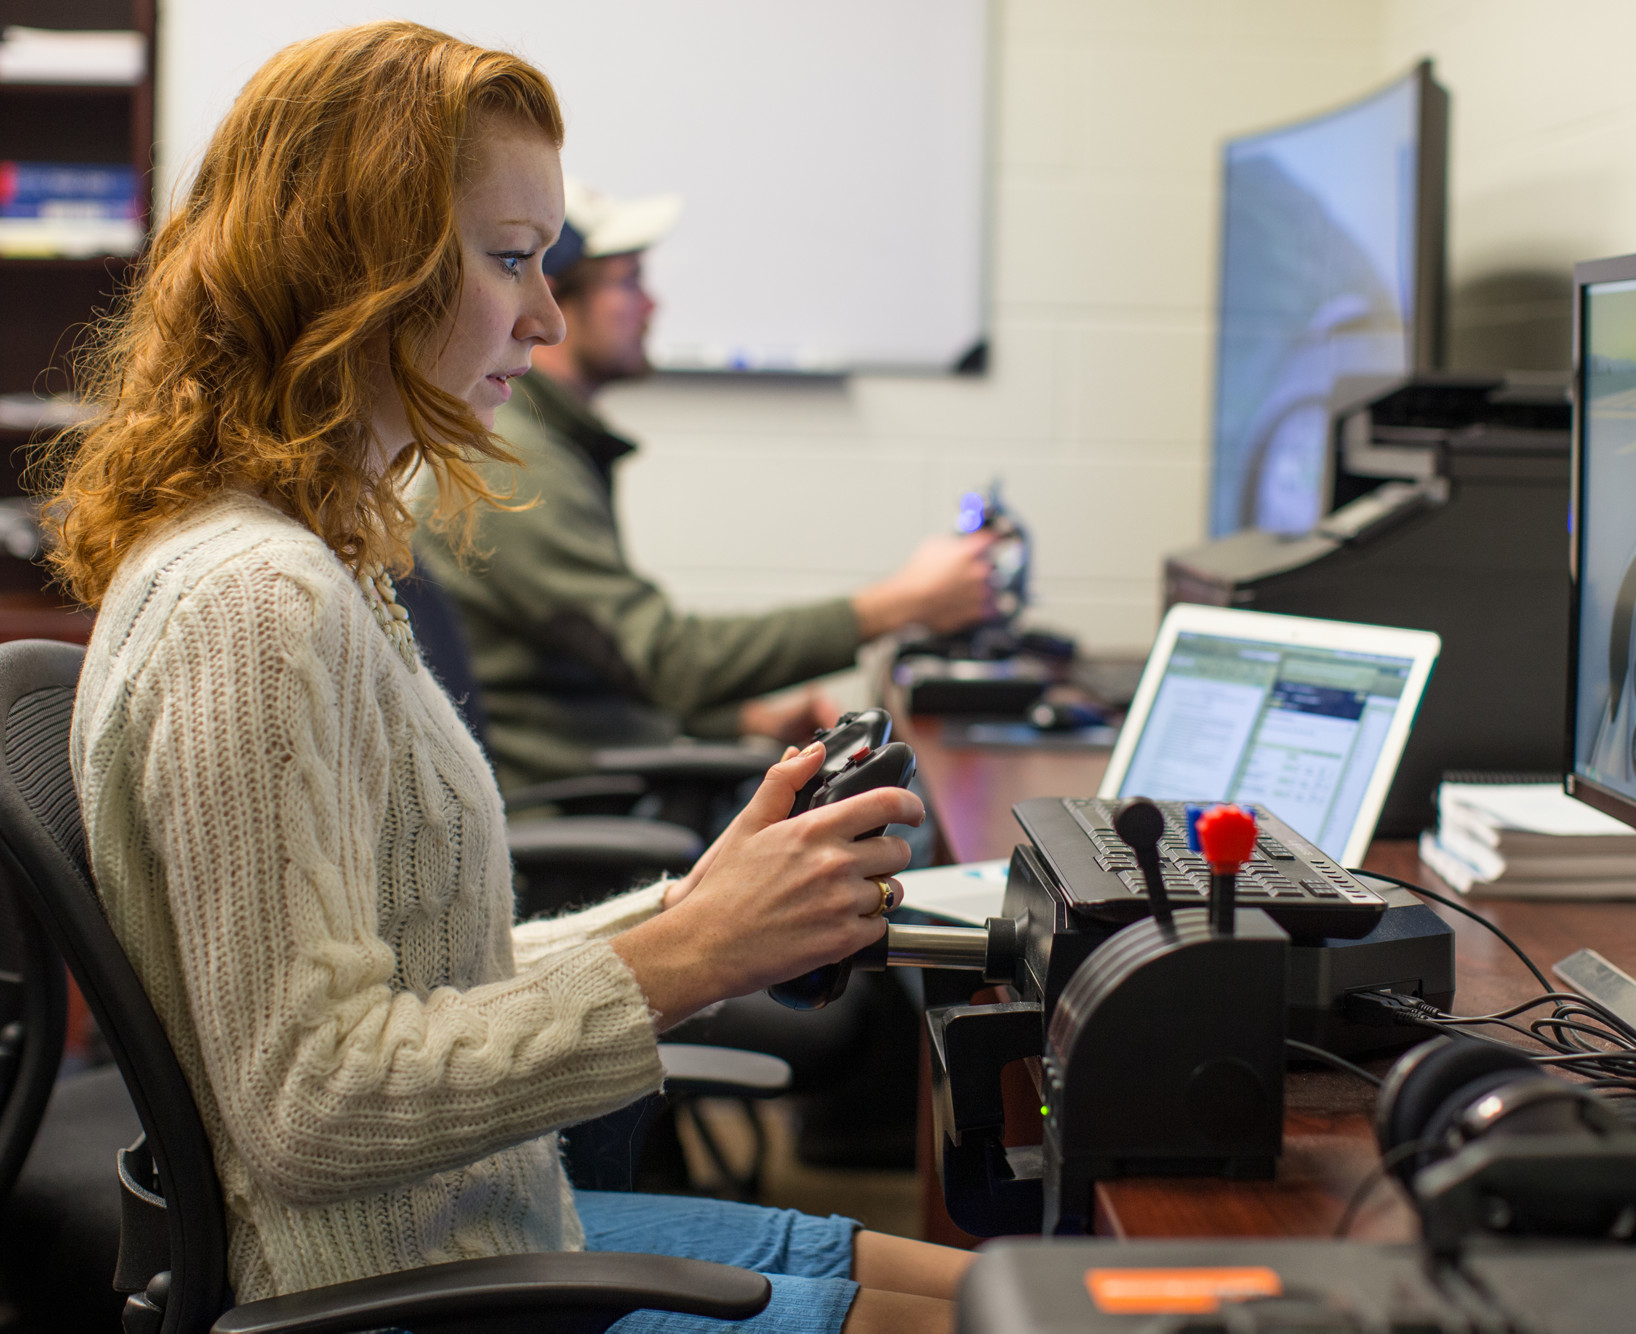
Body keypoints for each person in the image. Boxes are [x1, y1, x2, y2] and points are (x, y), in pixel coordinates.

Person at [48, 22, 971, 1333]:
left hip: (472, 1227)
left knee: (1025, 1290)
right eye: (511, 259)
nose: (544, 315)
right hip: (398, 1293)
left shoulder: (317, 553)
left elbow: (429, 980)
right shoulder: (252, 604)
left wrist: (689, 917)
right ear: (360, 268)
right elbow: (311, 1101)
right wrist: (680, 963)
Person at [405, 187, 996, 794]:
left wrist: (741, 721)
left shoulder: (545, 444)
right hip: (585, 814)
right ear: (556, 297)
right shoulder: (517, 463)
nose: (652, 303)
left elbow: (599, 671)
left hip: (611, 781)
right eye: (629, 281)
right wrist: (900, 604)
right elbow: (667, 660)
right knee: (898, 810)